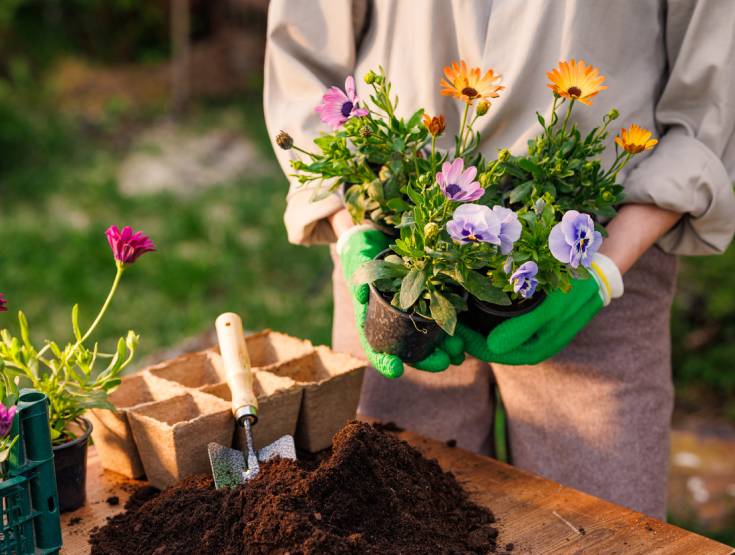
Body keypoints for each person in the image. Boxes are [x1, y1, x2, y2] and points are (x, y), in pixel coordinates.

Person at [264, 0, 735, 521]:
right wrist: (354, 234)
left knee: (602, 530)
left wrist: (604, 271)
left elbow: (712, 96)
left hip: (589, 258)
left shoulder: (598, 266)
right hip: (400, 261)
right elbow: (303, 58)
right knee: (395, 524)